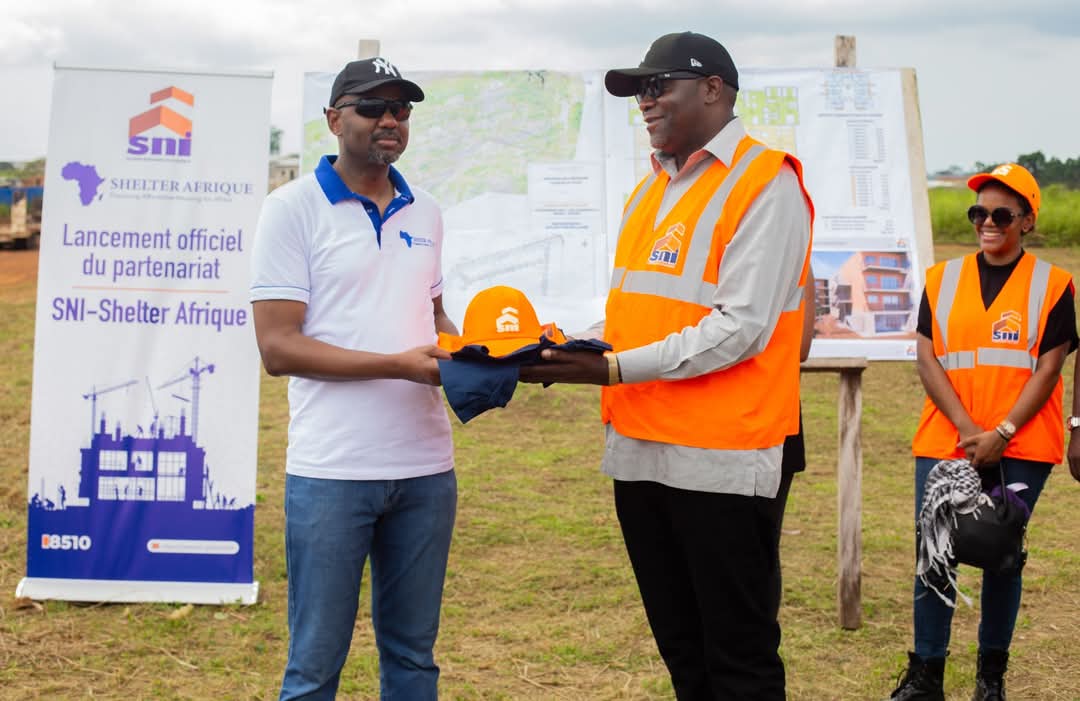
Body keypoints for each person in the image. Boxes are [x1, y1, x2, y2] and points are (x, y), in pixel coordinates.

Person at [520, 32, 814, 700]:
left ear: (713, 89)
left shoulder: (767, 184)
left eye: (657, 86)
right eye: (639, 92)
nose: (645, 102)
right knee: (684, 653)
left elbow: (740, 329)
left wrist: (611, 369)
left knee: (737, 660)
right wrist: (565, 348)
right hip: (640, 452)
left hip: (721, 461)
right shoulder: (650, 190)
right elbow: (635, 317)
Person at [249, 57, 459, 701]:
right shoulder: (291, 209)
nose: (390, 119)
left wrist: (480, 358)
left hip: (426, 469)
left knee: (414, 658)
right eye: (372, 107)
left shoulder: (426, 211)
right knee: (315, 666)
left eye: (401, 109)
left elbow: (434, 315)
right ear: (335, 120)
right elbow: (278, 347)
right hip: (332, 472)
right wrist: (398, 365)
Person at [891, 163, 1078, 701]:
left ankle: (990, 679)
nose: (987, 223)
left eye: (1001, 215)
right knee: (935, 551)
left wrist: (1003, 431)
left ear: (1027, 221)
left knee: (1000, 554)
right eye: (979, 213)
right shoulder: (940, 279)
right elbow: (927, 357)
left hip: (1022, 444)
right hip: (948, 438)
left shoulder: (1054, 285)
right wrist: (970, 428)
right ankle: (926, 675)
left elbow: (1049, 367)